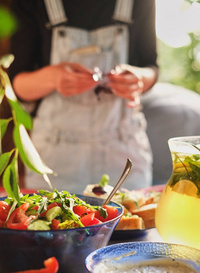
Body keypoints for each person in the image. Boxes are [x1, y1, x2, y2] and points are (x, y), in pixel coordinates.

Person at [9, 0, 158, 193]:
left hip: (123, 149)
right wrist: (54, 78)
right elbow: (18, 85)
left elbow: (151, 67)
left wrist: (138, 79)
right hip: (56, 155)